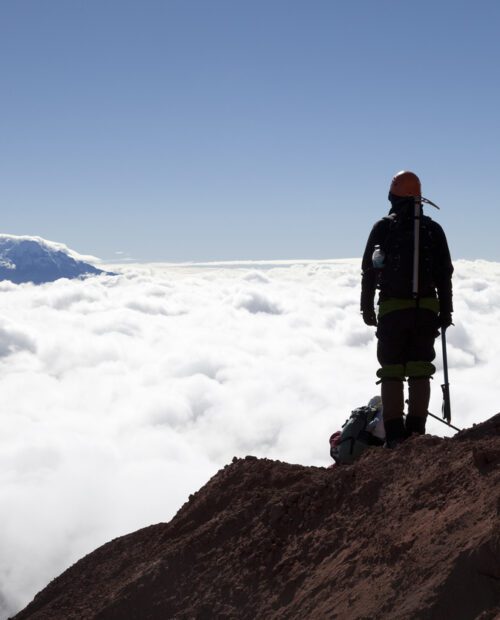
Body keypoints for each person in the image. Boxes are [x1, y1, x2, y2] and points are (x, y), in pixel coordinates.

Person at [360, 171, 453, 447]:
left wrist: (367, 308)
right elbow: (444, 274)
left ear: (393, 194)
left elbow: (369, 271)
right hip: (426, 309)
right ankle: (416, 433)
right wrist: (446, 312)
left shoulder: (383, 228)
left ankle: (395, 436)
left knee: (392, 370)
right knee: (419, 369)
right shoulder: (433, 230)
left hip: (392, 310)